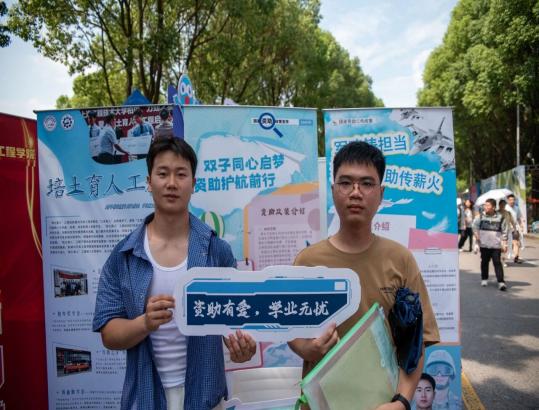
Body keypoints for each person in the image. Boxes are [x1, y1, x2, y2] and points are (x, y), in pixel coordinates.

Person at [93, 138, 257, 410]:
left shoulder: (217, 251)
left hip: (205, 397)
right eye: (163, 173)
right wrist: (145, 323)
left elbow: (235, 322)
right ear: (149, 182)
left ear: (193, 184)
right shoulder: (124, 255)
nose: (171, 183)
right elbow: (109, 334)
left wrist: (241, 348)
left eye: (181, 174)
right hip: (145, 398)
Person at [288, 141, 440, 410]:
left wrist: (402, 402)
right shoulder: (307, 262)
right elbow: (291, 330)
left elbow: (416, 344)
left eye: (367, 184)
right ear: (333, 190)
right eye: (346, 183)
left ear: (381, 194)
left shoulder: (400, 260)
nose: (355, 193)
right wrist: (305, 349)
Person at [472, 198, 508, 291]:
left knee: (497, 262)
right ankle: (484, 279)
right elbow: (474, 227)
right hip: (484, 244)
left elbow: (504, 231)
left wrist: (504, 244)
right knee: (484, 262)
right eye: (485, 205)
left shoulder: (500, 217)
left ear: (493, 207)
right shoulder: (480, 217)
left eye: (488, 205)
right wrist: (477, 236)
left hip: (496, 245)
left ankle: (501, 282)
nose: (485, 207)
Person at [506, 194, 524, 263]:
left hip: (515, 228)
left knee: (516, 242)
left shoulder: (517, 208)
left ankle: (516, 257)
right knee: (507, 244)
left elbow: (519, 217)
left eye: (513, 200)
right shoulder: (505, 208)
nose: (512, 201)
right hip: (506, 228)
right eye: (510, 200)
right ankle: (504, 258)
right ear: (507, 200)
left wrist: (521, 225)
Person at [497, 199, 515, 267]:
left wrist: (515, 230)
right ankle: (501, 260)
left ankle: (503, 260)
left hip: (507, 232)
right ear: (499, 205)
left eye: (504, 205)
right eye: (501, 205)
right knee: (500, 247)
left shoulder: (508, 213)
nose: (502, 206)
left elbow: (512, 221)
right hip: (498, 232)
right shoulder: (496, 213)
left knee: (505, 248)